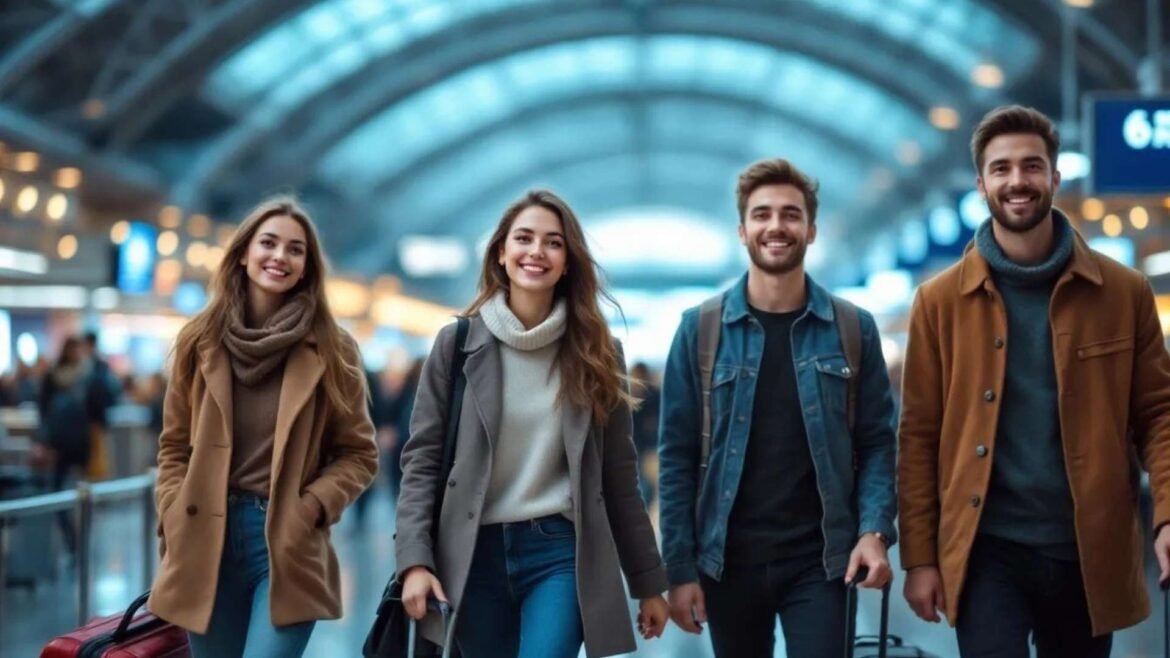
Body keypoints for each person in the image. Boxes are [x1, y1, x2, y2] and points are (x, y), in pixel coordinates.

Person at [898, 105, 1170, 657]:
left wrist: (1167, 516)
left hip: (1089, 550)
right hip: (984, 551)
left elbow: (1159, 416)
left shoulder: (1124, 292)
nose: (1016, 181)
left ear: (1054, 177)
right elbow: (919, 434)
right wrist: (920, 558)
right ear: (981, 184)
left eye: (1031, 166)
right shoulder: (938, 301)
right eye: (1000, 169)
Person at [395, 189, 670, 658]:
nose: (536, 252)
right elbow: (421, 462)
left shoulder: (598, 356)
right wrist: (414, 561)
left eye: (553, 242)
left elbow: (620, 481)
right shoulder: (457, 345)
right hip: (471, 552)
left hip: (560, 553)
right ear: (501, 253)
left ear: (568, 262)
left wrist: (648, 582)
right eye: (523, 238)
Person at [657, 159, 898, 657]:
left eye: (790, 215)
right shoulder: (699, 330)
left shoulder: (853, 328)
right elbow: (677, 458)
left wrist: (874, 531)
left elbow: (877, 442)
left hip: (824, 561)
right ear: (742, 230)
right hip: (727, 562)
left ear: (811, 231)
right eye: (762, 214)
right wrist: (678, 570)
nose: (776, 226)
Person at [148, 197, 379, 658]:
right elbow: (174, 446)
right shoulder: (200, 341)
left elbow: (360, 454)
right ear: (242, 253)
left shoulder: (334, 348)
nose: (280, 257)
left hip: (284, 541)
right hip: (204, 538)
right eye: (268, 243)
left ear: (307, 267)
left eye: (295, 250)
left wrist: (310, 507)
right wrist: (173, 510)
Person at [39, 335, 93, 555]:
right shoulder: (79, 376)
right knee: (61, 492)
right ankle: (72, 540)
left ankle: (78, 540)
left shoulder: (87, 376)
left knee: (81, 494)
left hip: (77, 443)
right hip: (62, 443)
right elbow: (43, 411)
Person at [629, 362, 661, 507]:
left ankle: (645, 507)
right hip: (636, 446)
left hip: (649, 447)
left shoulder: (653, 396)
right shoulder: (631, 396)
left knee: (647, 483)